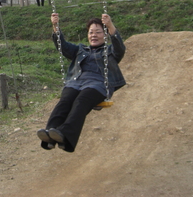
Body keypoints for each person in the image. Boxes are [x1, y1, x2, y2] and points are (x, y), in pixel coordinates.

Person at [37, 12, 126, 152]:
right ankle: (50, 134)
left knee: (81, 101)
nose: (94, 35)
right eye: (91, 32)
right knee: (65, 100)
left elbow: (120, 49)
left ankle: (65, 135)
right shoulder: (80, 50)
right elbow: (63, 46)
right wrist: (55, 26)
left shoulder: (110, 51)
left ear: (105, 35)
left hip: (98, 84)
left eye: (98, 32)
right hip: (76, 82)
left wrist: (110, 26)